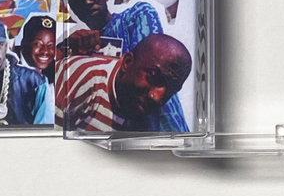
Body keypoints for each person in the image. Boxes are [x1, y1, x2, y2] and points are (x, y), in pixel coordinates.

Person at [57, 33, 191, 134]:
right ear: (127, 62)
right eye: (154, 77)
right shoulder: (81, 75)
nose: (157, 97)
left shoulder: (148, 119)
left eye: (172, 90)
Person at [62, 0, 163, 55]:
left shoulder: (137, 15)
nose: (87, 2)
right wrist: (65, 47)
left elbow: (148, 61)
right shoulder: (79, 42)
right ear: (73, 8)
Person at [18, 14, 59, 82]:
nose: (45, 51)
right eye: (38, 44)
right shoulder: (8, 65)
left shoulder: (56, 70)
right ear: (24, 43)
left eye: (50, 45)